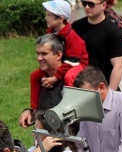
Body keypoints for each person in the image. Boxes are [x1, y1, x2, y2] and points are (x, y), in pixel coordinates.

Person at [22, 1, 89, 129]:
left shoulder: (70, 36)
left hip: (78, 62)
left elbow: (72, 60)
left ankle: (70, 106)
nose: (45, 18)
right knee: (34, 75)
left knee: (69, 77)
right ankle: (35, 109)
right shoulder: (52, 31)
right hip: (66, 61)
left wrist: (56, 77)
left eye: (49, 15)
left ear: (60, 18)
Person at [71, 0, 122, 91]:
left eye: (91, 4)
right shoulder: (76, 27)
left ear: (103, 5)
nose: (87, 7)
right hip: (79, 87)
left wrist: (110, 94)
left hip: (102, 88)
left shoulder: (113, 31)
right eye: (85, 3)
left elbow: (118, 66)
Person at [19, 34, 66, 129]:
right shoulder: (38, 78)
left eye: (44, 54)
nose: (39, 58)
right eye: (38, 54)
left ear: (59, 55)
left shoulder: (71, 79)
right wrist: (29, 112)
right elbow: (39, 109)